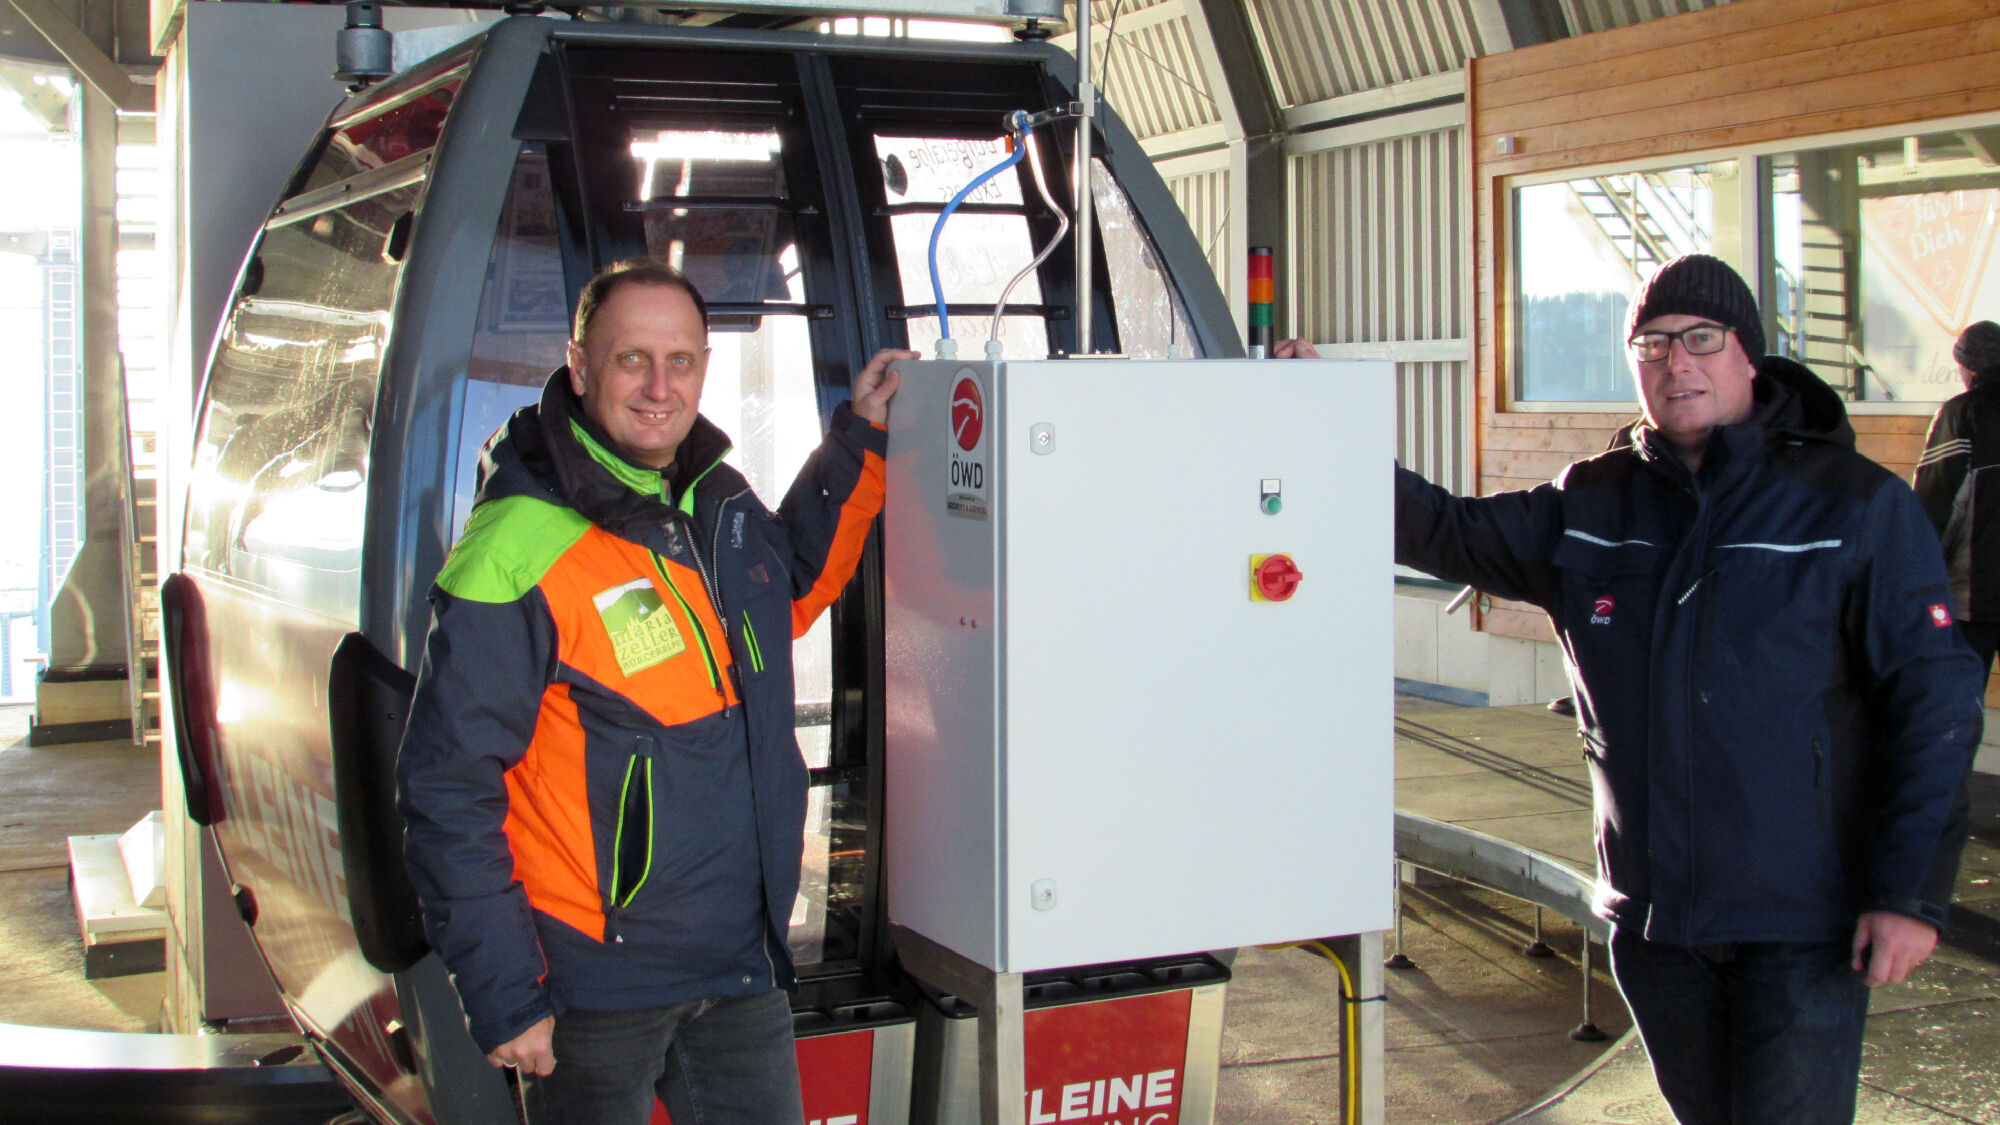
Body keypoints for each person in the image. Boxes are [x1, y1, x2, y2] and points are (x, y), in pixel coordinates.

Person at [1281, 254, 1981, 1124]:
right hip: (1656, 925)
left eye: (1701, 339)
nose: (1676, 362)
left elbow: (1935, 705)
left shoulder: (1851, 508)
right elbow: (1446, 531)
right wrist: (1321, 429)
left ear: (1748, 357)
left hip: (1802, 924)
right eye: (1652, 343)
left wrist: (1908, 894)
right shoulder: (1594, 503)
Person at [397, 259, 911, 1124]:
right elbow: (446, 783)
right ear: (580, 364)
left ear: (705, 367)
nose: (659, 386)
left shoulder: (714, 500)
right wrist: (504, 989)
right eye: (632, 358)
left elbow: (782, 593)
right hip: (593, 985)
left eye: (680, 360)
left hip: (737, 962)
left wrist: (859, 438)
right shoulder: (518, 545)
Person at [1914, 319, 2000, 676]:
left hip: (1976, 592)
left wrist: (1920, 573)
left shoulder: (1963, 413)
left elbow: (1937, 502)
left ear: (1968, 366)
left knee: (1961, 702)